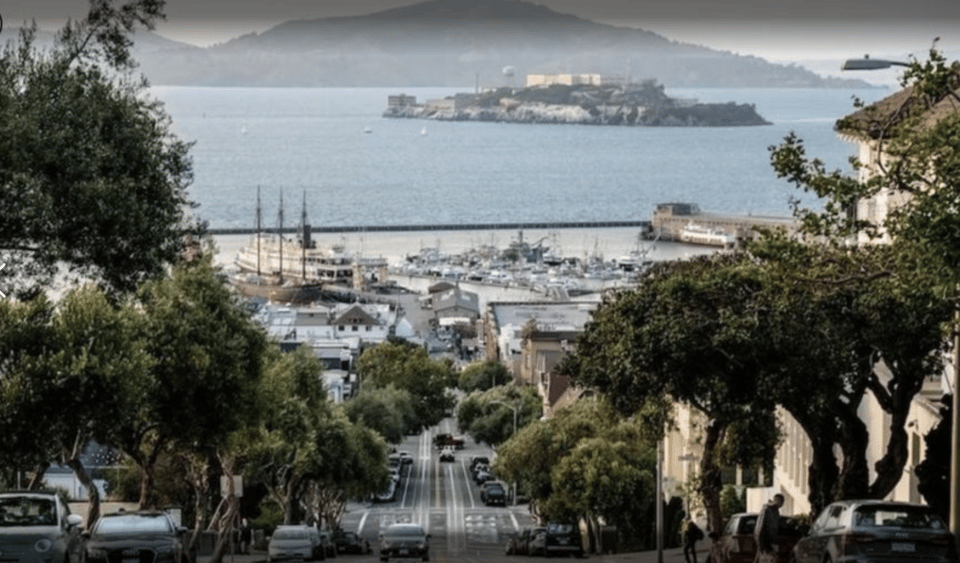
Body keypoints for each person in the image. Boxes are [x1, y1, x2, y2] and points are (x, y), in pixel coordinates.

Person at [754, 494, 785, 563]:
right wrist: (762, 545)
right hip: (767, 543)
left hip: (770, 542)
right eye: (782, 501)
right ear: (777, 500)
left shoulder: (775, 511)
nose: (783, 504)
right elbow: (760, 527)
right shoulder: (767, 510)